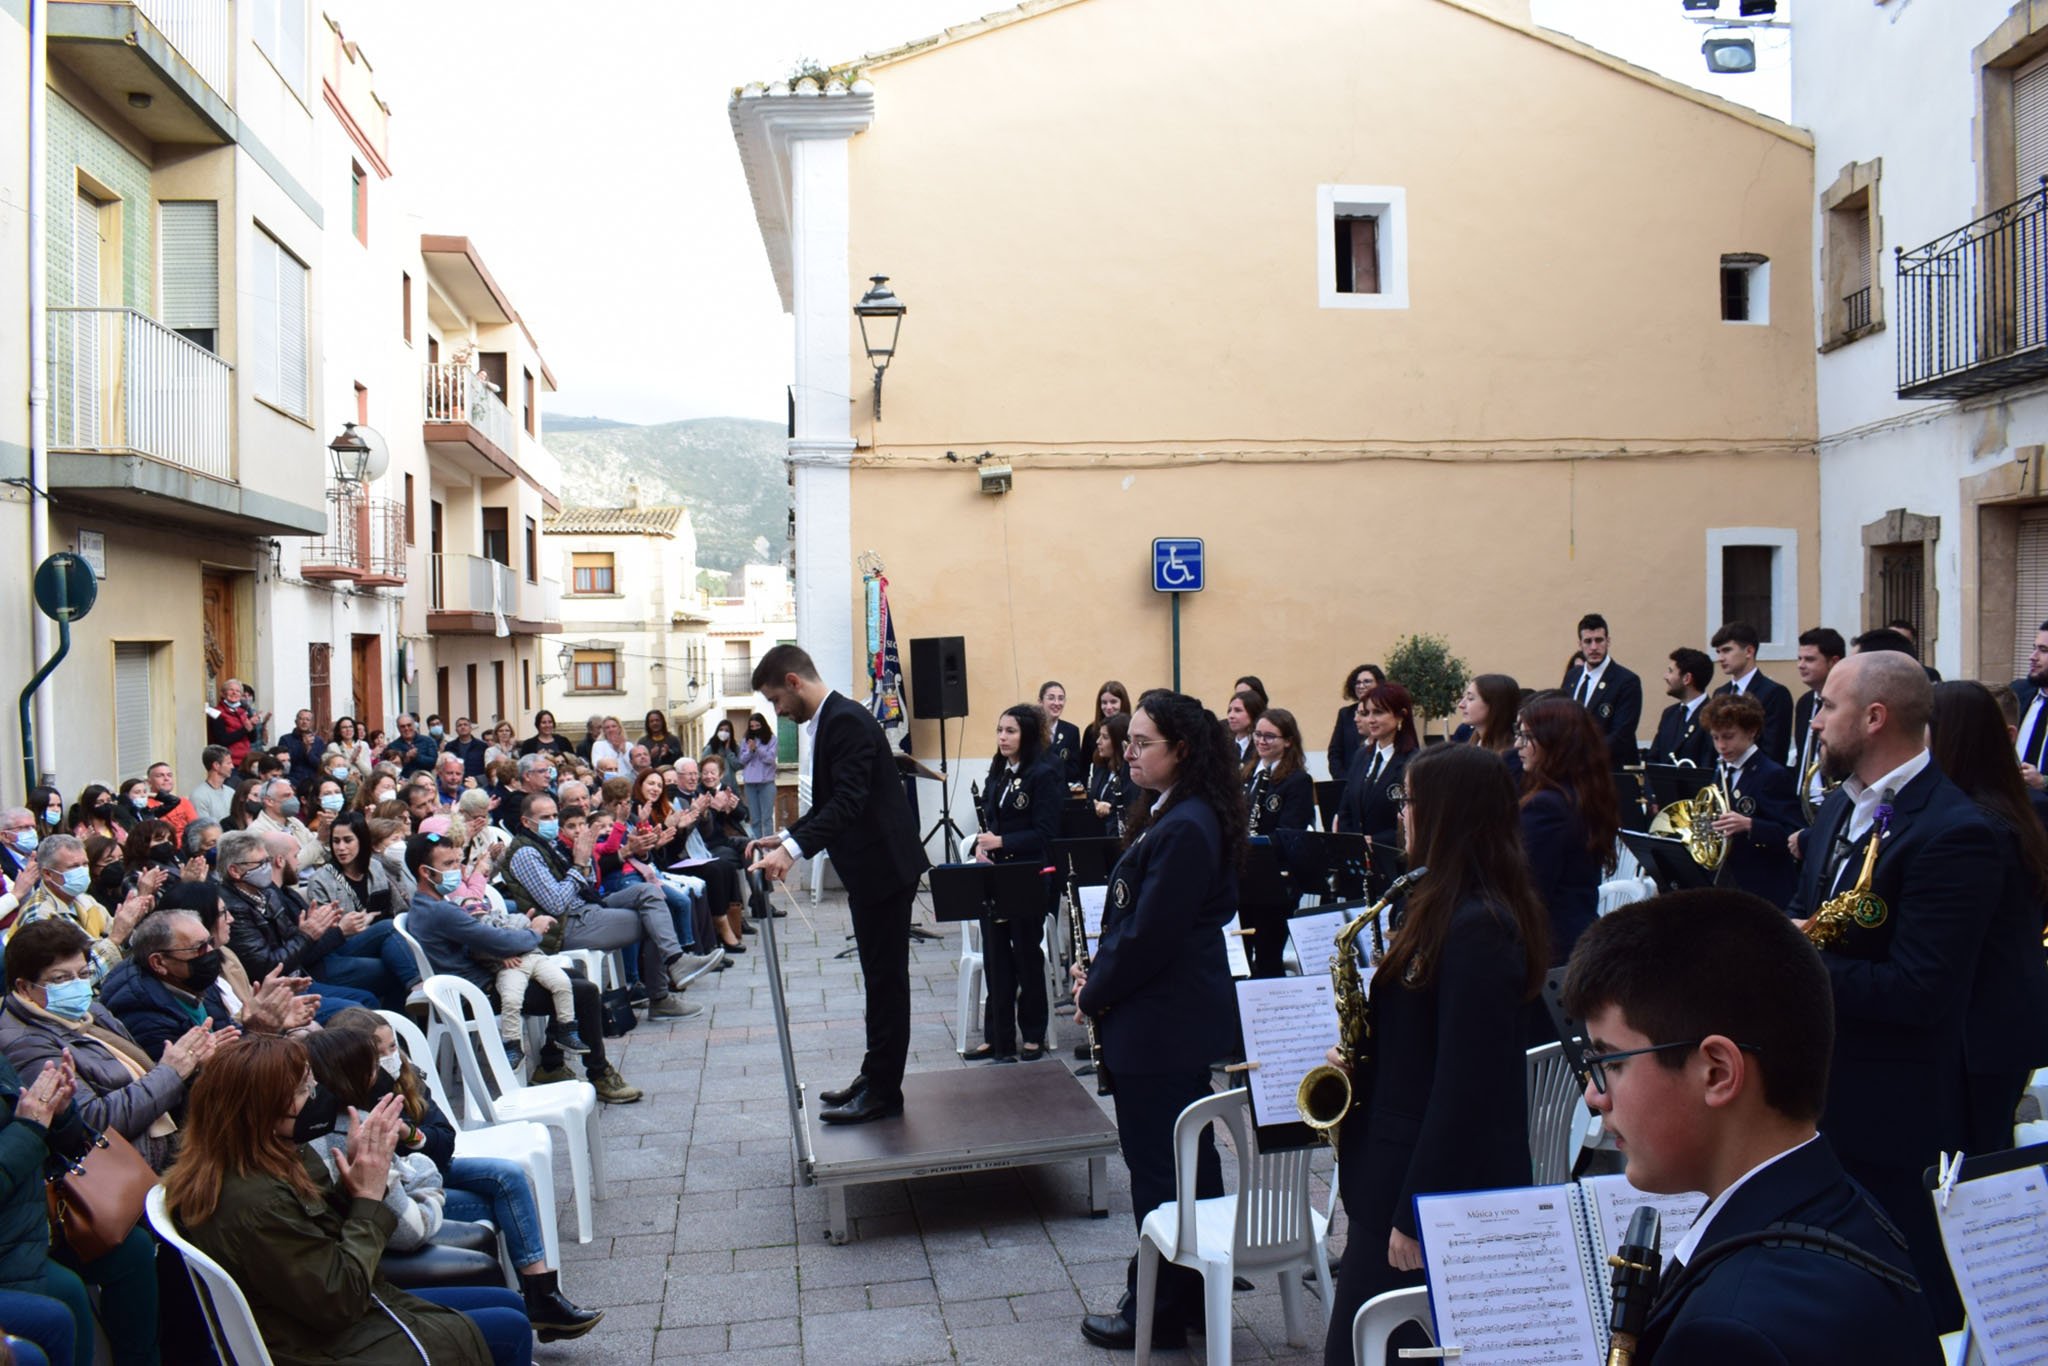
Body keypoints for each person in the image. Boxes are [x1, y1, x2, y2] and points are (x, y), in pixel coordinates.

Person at [1564, 889, 1940, 1364]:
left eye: (1610, 1062)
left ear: (1717, 1072)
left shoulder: (1730, 1334)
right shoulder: (1846, 1208)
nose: (1594, 1096)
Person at [1790, 650, 1999, 1331]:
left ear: (1874, 718)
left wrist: (1794, 956)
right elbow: (1808, 911)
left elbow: (1920, 991)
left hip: (1888, 1121)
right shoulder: (1837, 809)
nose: (1816, 721)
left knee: (1900, 1312)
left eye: (1828, 706)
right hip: (1816, 1106)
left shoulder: (1954, 832)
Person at [1322, 744, 1546, 1365]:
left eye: (1409, 800)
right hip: (1396, 1175)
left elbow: (1466, 1086)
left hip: (1426, 1191)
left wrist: (1418, 1213)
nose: (1401, 814)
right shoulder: (1442, 904)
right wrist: (1362, 1053)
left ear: (1448, 812)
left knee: (1376, 1351)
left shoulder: (1479, 926)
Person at [162, 1033, 530, 1365]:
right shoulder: (254, 1199)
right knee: (509, 1326)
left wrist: (352, 1181)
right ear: (260, 1111)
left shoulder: (251, 1159)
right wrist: (369, 1197)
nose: (317, 1098)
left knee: (511, 1305)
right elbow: (339, 1301)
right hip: (317, 1343)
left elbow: (310, 1239)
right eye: (304, 1091)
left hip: (316, 1321)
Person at [1071, 690, 1242, 1353]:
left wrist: (1096, 991)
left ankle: (1162, 1308)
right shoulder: (1177, 814)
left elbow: (1151, 936)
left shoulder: (1186, 826)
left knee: (1161, 1171)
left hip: (1161, 1023)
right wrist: (1102, 971)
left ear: (1184, 752)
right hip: (1166, 1015)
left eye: (1144, 743)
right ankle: (1195, 1294)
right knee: (1186, 1162)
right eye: (1130, 740)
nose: (1129, 751)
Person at [322, 1008, 603, 1340]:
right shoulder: (356, 1106)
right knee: (490, 1204)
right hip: (413, 1188)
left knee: (507, 1176)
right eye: (378, 1053)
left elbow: (445, 1141)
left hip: (435, 1167)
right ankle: (513, 1307)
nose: (389, 1058)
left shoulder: (405, 1074)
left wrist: (410, 1134)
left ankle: (541, 1294)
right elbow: (402, 1179)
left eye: (392, 1046)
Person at [747, 644, 929, 1125]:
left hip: (885, 870)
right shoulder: (833, 719)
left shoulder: (843, 720)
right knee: (877, 979)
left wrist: (791, 851)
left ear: (792, 681)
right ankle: (874, 1076)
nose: (776, 712)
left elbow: (848, 802)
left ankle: (884, 1090)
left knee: (887, 983)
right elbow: (832, 802)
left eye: (774, 700)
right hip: (874, 870)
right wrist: (785, 835)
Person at [405, 829, 637, 1104]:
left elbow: (478, 939)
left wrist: (504, 944)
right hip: (480, 994)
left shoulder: (427, 905)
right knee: (584, 992)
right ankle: (599, 1073)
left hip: (483, 977)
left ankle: (551, 1064)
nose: (457, 870)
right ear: (425, 872)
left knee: (571, 977)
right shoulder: (439, 911)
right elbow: (496, 940)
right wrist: (533, 931)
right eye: (449, 865)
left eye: (457, 862)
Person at [1926, 681, 2048, 1154]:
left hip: (1988, 1025)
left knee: (1977, 1158)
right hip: (2004, 1016)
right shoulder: (2009, 808)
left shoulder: (1979, 826)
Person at [0, 919, 217, 1172]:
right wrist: (171, 1072)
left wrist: (189, 1064)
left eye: (83, 974)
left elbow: (145, 1077)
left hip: (165, 1148)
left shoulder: (90, 1011)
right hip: (126, 1174)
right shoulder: (24, 1043)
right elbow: (93, 1120)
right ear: (24, 987)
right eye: (60, 979)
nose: (77, 985)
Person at [0, 1047, 161, 1366]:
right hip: (10, 1248)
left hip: (31, 1222)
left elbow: (64, 1144)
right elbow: (25, 1131)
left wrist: (60, 1116)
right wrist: (30, 1128)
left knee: (132, 1250)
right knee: (64, 1296)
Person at [498, 793, 714, 1026]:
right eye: (545, 817)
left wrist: (587, 859)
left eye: (553, 816)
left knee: (649, 893)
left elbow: (589, 885)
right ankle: (661, 997)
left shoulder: (548, 845)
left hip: (587, 907)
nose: (551, 821)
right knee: (654, 921)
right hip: (564, 925)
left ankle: (676, 961)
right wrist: (580, 863)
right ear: (526, 821)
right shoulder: (526, 853)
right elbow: (556, 904)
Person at [98, 893, 318, 1056]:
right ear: (159, 962)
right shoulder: (143, 1014)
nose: (211, 953)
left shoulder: (193, 978)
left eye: (210, 943)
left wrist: (271, 1020)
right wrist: (260, 1030)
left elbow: (227, 1038)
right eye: (199, 948)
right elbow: (199, 1093)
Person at [966, 704, 1063, 1063]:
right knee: (995, 957)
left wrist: (1002, 842)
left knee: (1025, 955)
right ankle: (998, 1037)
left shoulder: (1044, 773)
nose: (1003, 738)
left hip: (1028, 875)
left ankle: (1033, 1034)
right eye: (999, 730)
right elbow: (990, 821)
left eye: (1011, 731)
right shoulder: (999, 771)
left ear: (1027, 735)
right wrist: (981, 846)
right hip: (994, 877)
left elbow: (1045, 833)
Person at [216, 830, 381, 1015]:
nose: (267, 867)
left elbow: (292, 939)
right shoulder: (234, 909)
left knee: (369, 996)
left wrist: (314, 927)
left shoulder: (267, 893)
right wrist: (309, 934)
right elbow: (266, 966)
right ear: (235, 871)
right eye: (260, 863)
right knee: (361, 1006)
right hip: (279, 994)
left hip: (299, 977)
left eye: (267, 860)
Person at [1515, 696, 1619, 971]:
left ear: (1554, 742)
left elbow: (1528, 887)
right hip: (1577, 932)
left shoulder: (1547, 805)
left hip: (1551, 949)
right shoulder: (1583, 793)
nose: (1518, 745)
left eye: (1527, 737)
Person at [1698, 693, 1801, 907]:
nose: (1721, 746)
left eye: (1728, 736)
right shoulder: (1722, 771)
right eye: (1715, 738)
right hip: (1729, 878)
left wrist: (1750, 824)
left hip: (1763, 884)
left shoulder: (1771, 774)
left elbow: (1793, 832)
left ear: (1751, 732)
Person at [12, 834, 148, 979]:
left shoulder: (84, 899)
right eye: (74, 867)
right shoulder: (40, 917)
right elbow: (77, 979)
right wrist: (116, 937)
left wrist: (128, 926)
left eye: (85, 864)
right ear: (47, 874)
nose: (83, 871)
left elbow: (118, 936)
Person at [1244, 707, 1314, 978]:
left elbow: (1290, 832)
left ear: (1288, 740)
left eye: (1269, 736)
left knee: (1268, 956)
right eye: (1258, 734)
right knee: (1243, 951)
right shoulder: (1248, 774)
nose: (1261, 741)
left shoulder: (1297, 781)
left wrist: (1252, 843)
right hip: (1244, 877)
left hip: (1275, 880)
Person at [1336, 682, 1421, 881]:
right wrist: (1353, 841)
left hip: (1394, 862)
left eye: (1379, 712)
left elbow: (1416, 819)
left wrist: (1375, 841)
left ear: (1400, 715)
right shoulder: (1361, 756)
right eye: (1367, 713)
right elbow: (1346, 807)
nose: (1371, 720)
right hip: (1360, 865)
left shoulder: (1414, 762)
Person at [1561, 613, 1643, 770]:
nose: (1593, 647)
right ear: (1580, 644)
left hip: (1608, 770)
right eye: (1588, 641)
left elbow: (1621, 734)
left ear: (1608, 641)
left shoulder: (1626, 681)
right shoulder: (1572, 677)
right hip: (1572, 770)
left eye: (1599, 640)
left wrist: (1582, 755)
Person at [1712, 620, 1794, 762]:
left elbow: (1774, 749)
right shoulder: (1720, 693)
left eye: (1727, 650)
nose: (1721, 658)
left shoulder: (1774, 693)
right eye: (1718, 652)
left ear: (1749, 651)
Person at [1792, 627, 1847, 784]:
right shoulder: (1804, 703)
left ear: (1833, 662)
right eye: (1799, 658)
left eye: (1809, 659)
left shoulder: (1847, 703)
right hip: (1803, 800)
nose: (1800, 665)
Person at [1650, 646, 1716, 769]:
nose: (1665, 676)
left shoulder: (1713, 716)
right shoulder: (1669, 714)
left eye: (1670, 671)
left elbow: (1708, 765)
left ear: (1687, 678)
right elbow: (1654, 759)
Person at [1327, 665, 1385, 781]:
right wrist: (1344, 779)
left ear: (1379, 684)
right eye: (1357, 683)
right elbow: (1335, 752)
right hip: (1348, 781)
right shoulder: (1346, 714)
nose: (1361, 686)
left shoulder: (1387, 712)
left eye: (1367, 681)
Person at [1450, 672, 1520, 761]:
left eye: (1470, 698)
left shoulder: (1513, 757)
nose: (1461, 705)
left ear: (1495, 705)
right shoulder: (1469, 742)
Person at [2013, 618, 2048, 792]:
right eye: (2034, 648)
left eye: (2043, 650)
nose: (2032, 657)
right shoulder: (2018, 693)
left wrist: (2044, 782)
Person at [1085, 713, 1133, 838]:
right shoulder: (1099, 766)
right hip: (1098, 835)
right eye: (1099, 736)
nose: (1098, 741)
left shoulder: (1131, 773)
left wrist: (1111, 808)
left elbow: (1130, 807)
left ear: (1118, 741)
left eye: (1105, 737)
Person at [205, 678, 267, 767]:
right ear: (223, 693)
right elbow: (222, 740)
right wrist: (245, 729)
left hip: (246, 761)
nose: (234, 693)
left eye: (238, 691)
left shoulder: (243, 711)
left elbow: (252, 739)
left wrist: (252, 726)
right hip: (229, 762)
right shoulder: (217, 713)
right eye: (231, 690)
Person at [1078, 682, 1133, 781]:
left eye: (1113, 702)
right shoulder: (1091, 731)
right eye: (1104, 702)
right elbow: (1084, 767)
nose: (1108, 707)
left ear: (1123, 702)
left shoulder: (1132, 729)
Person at [738, 713, 779, 841]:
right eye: (752, 726)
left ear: (763, 725)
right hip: (750, 783)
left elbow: (770, 759)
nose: (755, 728)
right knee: (754, 818)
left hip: (766, 783)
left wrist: (757, 749)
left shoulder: (772, 739)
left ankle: (768, 846)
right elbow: (742, 760)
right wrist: (750, 751)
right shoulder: (746, 740)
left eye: (757, 725)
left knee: (767, 818)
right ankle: (757, 847)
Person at [1039, 682, 1085, 786]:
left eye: (1061, 698)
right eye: (1051, 698)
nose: (1057, 703)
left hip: (1061, 792)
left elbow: (1075, 768)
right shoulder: (1032, 730)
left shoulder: (1071, 731)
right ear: (1040, 701)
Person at [279, 711, 327, 790]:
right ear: (296, 721)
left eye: (307, 720)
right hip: (292, 780)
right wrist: (303, 747)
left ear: (312, 723)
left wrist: (308, 751)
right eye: (301, 719)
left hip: (313, 781)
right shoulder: (285, 739)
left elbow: (320, 764)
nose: (304, 722)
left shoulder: (318, 741)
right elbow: (286, 763)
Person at [1223, 688, 1264, 766]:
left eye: (1238, 710)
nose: (1231, 716)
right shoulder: (1224, 745)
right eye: (1229, 710)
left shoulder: (1261, 746)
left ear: (1253, 713)